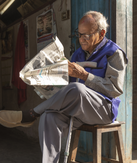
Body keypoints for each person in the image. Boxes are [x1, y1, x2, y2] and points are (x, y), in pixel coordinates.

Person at [0, 11, 128, 163]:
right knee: (49, 117)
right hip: (79, 109)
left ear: (101, 33)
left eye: (86, 35)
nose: (81, 40)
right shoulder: (78, 55)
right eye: (79, 34)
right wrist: (49, 83)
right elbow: (68, 89)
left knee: (77, 89)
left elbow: (115, 89)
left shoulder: (114, 53)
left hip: (102, 110)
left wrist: (86, 76)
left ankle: (31, 114)